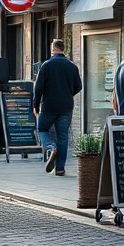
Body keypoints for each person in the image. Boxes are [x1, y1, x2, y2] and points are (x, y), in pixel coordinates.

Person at [33, 39, 83, 176]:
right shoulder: (72, 66)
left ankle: (51, 147)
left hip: (49, 105)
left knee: (42, 129)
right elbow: (79, 86)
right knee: (63, 135)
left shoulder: (46, 65)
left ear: (53, 49)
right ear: (63, 49)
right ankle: (60, 168)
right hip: (66, 106)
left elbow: (38, 89)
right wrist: (67, 94)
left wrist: (35, 106)